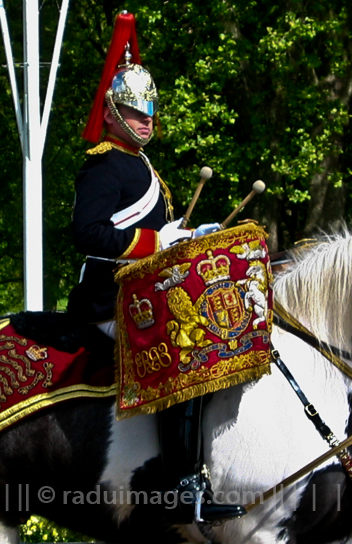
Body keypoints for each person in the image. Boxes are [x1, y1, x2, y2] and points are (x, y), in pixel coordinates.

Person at [67, 11, 245, 525]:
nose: (147, 120)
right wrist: (155, 241)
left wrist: (189, 238)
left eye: (149, 112)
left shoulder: (145, 168)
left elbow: (164, 239)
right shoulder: (103, 164)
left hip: (145, 293)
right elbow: (89, 234)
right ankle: (177, 479)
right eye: (135, 112)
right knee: (180, 351)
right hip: (108, 298)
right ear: (115, 113)